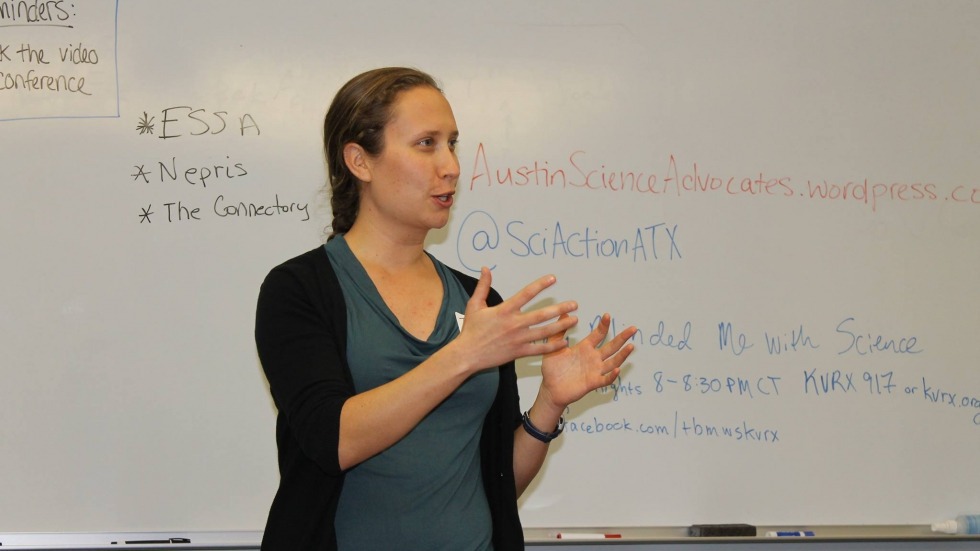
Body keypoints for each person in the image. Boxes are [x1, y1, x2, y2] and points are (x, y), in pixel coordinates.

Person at [254, 67, 637, 551]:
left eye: (452, 143)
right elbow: (335, 441)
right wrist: (464, 356)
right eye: (426, 144)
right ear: (360, 161)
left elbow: (496, 487)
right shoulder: (299, 291)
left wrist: (550, 404)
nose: (452, 165)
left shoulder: (477, 302)